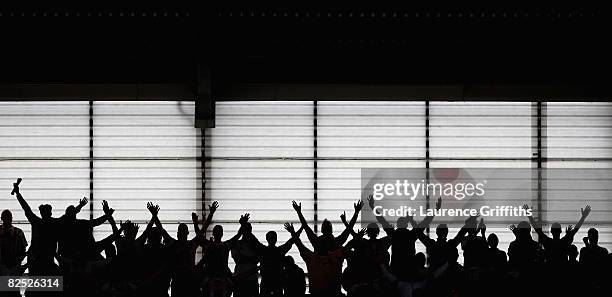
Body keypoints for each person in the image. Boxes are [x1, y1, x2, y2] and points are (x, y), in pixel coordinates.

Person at [367, 196, 441, 280]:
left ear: (397, 225)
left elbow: (381, 219)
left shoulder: (394, 234)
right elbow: (426, 221)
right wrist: (436, 209)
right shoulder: (411, 234)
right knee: (420, 256)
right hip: (409, 271)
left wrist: (372, 207)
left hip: (396, 270)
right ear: (406, 224)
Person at [284, 222, 363, 297]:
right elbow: (349, 241)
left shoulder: (311, 258)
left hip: (317, 294)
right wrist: (356, 238)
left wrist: (293, 232)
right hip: (333, 293)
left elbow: (299, 243)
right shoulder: (336, 257)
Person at [155, 202, 217, 297]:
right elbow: (161, 230)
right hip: (184, 281)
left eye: (182, 230)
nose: (181, 233)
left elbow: (161, 230)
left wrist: (154, 216)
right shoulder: (190, 244)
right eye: (181, 230)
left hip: (184, 281)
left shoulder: (178, 244)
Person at [523, 204, 591, 266]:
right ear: (561, 231)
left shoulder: (548, 243)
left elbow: (537, 229)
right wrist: (583, 217)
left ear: (551, 231)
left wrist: (529, 216)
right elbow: (575, 230)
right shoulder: (564, 242)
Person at [200, 213, 249, 297]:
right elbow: (238, 235)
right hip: (222, 278)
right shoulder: (225, 245)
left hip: (212, 277)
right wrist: (243, 224)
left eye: (219, 231)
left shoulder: (210, 245)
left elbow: (199, 235)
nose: (219, 233)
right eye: (218, 231)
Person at [292, 199, 363, 254]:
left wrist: (299, 212)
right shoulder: (337, 242)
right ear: (331, 230)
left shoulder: (317, 242)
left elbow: (305, 226)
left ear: (322, 230)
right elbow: (349, 228)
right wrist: (356, 213)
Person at [0, 210, 27, 297]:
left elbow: (23, 250)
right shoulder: (18, 232)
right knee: (13, 292)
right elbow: (23, 250)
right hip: (13, 267)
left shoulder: (18, 232)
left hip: (4, 267)